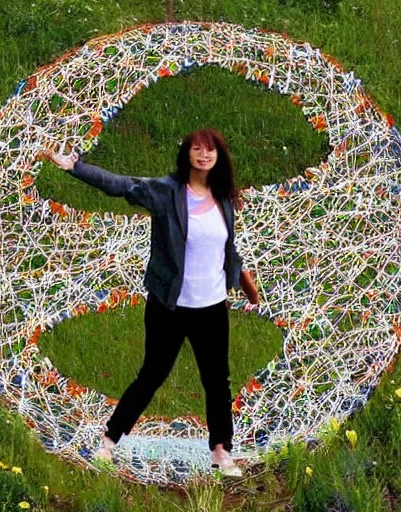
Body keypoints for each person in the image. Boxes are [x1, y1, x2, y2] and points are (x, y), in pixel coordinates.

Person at [36, 128, 259, 477]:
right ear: (187, 154)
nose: (204, 155)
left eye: (211, 150)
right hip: (169, 306)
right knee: (151, 375)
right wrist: (75, 167)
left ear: (219, 156)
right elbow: (123, 185)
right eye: (197, 149)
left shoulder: (224, 196)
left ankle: (221, 452)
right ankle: (109, 441)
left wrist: (243, 281)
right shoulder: (167, 192)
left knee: (217, 381)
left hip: (212, 306)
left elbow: (226, 248)